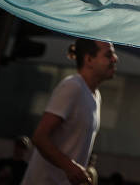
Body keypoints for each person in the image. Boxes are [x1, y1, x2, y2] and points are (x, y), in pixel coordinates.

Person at [22, 38, 118, 184]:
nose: (115, 59)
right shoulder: (72, 86)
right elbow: (39, 137)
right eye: (108, 55)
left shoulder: (96, 96)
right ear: (89, 59)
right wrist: (70, 167)